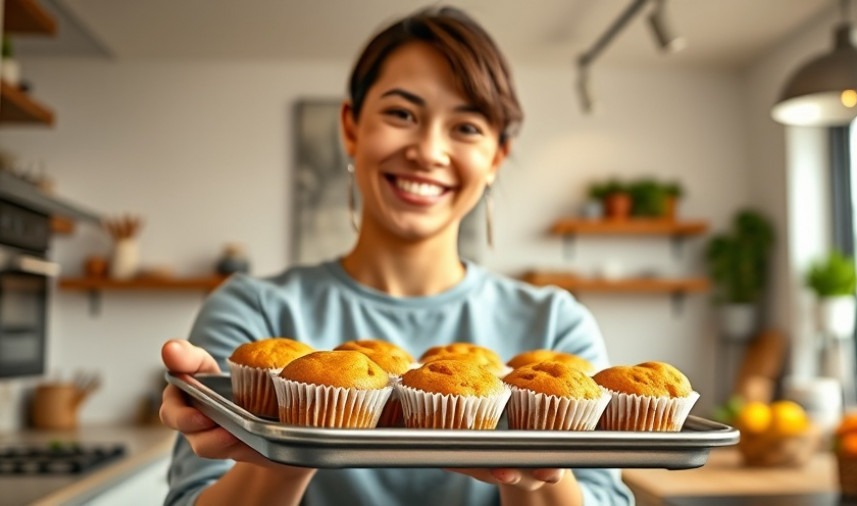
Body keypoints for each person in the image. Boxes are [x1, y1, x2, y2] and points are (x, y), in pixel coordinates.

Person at [159, 6, 635, 506]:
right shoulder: (251, 310)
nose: (429, 151)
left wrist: (531, 474)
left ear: (496, 157)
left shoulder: (555, 326)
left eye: (467, 127)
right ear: (351, 126)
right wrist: (281, 448)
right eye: (401, 114)